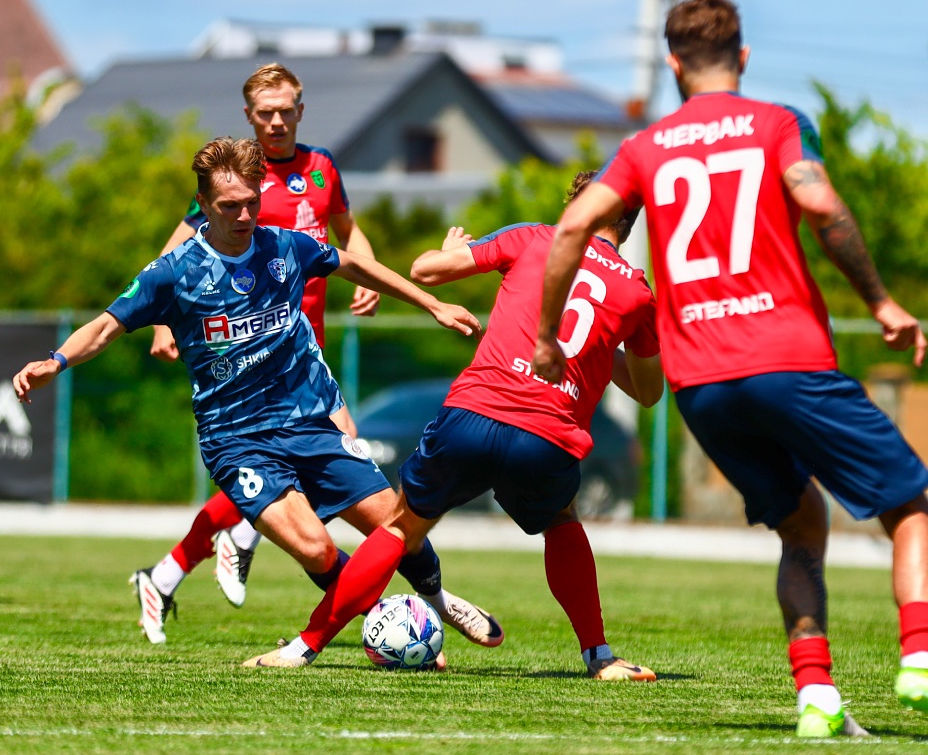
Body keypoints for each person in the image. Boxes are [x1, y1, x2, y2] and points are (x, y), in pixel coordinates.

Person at [532, 0, 928, 739]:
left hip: (702, 384)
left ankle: (815, 696)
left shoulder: (645, 147)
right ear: (742, 58)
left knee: (801, 524)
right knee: (912, 506)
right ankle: (920, 658)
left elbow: (575, 226)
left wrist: (548, 333)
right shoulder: (775, 124)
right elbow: (823, 207)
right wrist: (879, 301)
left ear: (673, 65)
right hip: (787, 358)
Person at [12, 137, 502, 657]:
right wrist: (56, 361)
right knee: (315, 547)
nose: (245, 214)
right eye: (230, 206)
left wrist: (431, 303)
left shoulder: (283, 247)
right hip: (236, 439)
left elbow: (354, 265)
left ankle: (437, 601)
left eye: (252, 201)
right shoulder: (174, 273)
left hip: (308, 422)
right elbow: (106, 327)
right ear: (202, 204)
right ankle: (390, 622)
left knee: (398, 525)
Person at [243, 171, 664, 674]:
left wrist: (449, 248)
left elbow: (426, 270)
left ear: (577, 205)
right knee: (562, 522)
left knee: (401, 529)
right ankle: (599, 658)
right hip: (546, 436)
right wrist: (601, 344)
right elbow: (648, 392)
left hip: (474, 413)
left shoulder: (530, 238)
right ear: (630, 220)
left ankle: (302, 649)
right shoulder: (638, 295)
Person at [151, 63, 379, 607]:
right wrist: (162, 321)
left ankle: (178, 568)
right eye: (264, 113)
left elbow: (348, 233)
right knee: (311, 457)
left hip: (308, 347)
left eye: (285, 111)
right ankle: (229, 544)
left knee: (325, 459)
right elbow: (175, 252)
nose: (276, 121)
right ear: (249, 117)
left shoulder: (323, 167)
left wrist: (367, 276)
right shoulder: (235, 181)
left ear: (301, 111)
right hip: (248, 352)